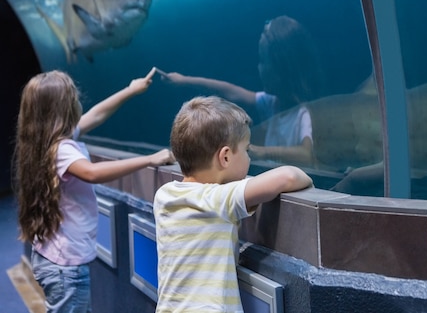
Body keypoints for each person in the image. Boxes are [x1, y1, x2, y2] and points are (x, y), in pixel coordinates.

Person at [13, 67, 175, 313]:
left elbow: (96, 115)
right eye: (73, 98)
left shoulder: (43, 142)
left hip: (53, 258)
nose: (78, 101)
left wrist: (129, 91)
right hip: (65, 267)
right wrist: (149, 159)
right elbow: (91, 172)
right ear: (63, 109)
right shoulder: (61, 149)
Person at [153, 95, 313, 313]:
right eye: (246, 149)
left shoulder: (165, 196)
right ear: (225, 157)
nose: (249, 158)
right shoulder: (218, 199)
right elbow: (289, 177)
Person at [158, 15, 324, 166]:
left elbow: (307, 154)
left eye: (263, 61)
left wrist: (259, 151)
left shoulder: (303, 113)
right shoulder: (273, 103)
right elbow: (231, 92)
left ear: (281, 68)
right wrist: (184, 80)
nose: (259, 68)